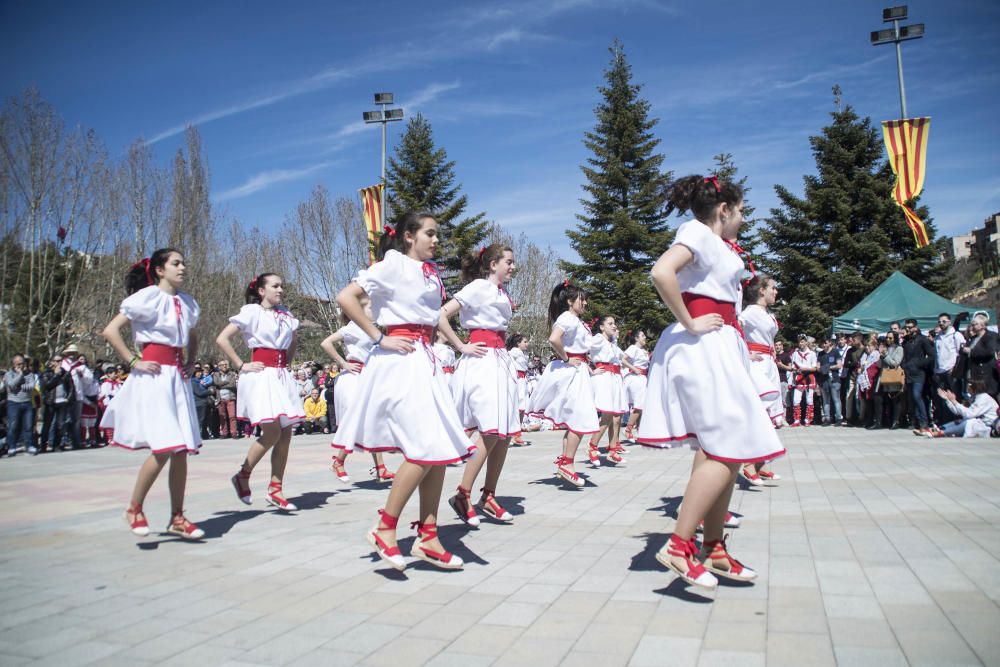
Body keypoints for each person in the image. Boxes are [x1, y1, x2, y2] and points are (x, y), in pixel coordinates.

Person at [638, 174, 783, 588]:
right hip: (705, 345)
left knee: (725, 447)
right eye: (739, 212)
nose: (741, 220)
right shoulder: (698, 234)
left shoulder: (717, 244)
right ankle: (680, 545)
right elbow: (661, 272)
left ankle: (713, 546)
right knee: (727, 443)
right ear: (724, 211)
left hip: (722, 344)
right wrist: (689, 320)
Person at [332, 211, 475, 571]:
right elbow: (346, 297)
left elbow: (434, 318)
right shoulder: (393, 264)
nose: (436, 240)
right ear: (409, 236)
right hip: (401, 362)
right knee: (424, 447)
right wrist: (380, 337)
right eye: (429, 233)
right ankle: (385, 527)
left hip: (424, 361)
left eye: (437, 234)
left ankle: (428, 535)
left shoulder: (429, 273)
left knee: (439, 448)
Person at [100, 248, 205, 539]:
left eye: (184, 262)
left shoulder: (187, 302)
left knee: (181, 450)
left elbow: (192, 334)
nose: (182, 267)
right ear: (160, 270)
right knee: (164, 447)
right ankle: (134, 507)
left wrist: (191, 360)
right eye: (176, 263)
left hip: (177, 378)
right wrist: (134, 360)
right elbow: (110, 331)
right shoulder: (146, 298)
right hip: (154, 377)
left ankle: (178, 517)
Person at [441, 243, 520, 527]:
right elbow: (440, 316)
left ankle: (488, 495)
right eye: (508, 262)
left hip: (501, 362)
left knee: (505, 433)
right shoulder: (476, 287)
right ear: (493, 264)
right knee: (490, 430)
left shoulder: (501, 292)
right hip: (483, 361)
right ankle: (463, 494)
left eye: (512, 263)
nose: (512, 267)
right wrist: (462, 345)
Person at [217, 273, 305, 512]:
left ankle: (276, 487)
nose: (280, 290)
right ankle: (243, 474)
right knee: (273, 431)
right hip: (261, 375)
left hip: (280, 375)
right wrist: (240, 364)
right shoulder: (251, 312)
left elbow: (293, 340)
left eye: (282, 285)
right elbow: (223, 338)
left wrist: (287, 361)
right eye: (275, 286)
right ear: (261, 291)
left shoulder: (286, 314)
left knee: (286, 433)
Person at [526, 280, 602, 487]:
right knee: (581, 418)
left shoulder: (575, 320)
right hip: (571, 372)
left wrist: (585, 365)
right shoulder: (568, 317)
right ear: (570, 301)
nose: (585, 303)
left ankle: (566, 462)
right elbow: (554, 338)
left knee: (575, 419)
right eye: (581, 300)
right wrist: (567, 359)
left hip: (578, 370)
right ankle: (567, 463)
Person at [321, 299, 395, 484]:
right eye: (370, 307)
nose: (374, 309)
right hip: (352, 377)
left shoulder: (372, 329)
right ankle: (338, 461)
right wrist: (343, 363)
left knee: (372, 421)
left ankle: (380, 468)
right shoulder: (353, 327)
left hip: (366, 377)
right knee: (357, 420)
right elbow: (326, 343)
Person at [586, 315, 633, 465]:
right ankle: (592, 446)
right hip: (604, 377)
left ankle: (613, 450)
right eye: (610, 323)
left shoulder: (611, 343)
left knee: (616, 415)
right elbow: (580, 350)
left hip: (615, 379)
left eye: (615, 323)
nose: (614, 326)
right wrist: (590, 369)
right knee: (607, 415)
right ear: (601, 327)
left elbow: (623, 357)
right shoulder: (598, 339)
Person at [739, 274, 783, 428]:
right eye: (773, 288)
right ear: (762, 291)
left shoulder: (767, 313)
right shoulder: (751, 312)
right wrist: (744, 353)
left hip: (769, 363)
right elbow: (734, 327)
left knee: (769, 416)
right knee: (759, 408)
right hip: (758, 364)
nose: (776, 291)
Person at [901, 318, 935, 434]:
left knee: (917, 395)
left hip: (919, 373)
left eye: (910, 327)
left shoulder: (922, 340)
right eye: (906, 327)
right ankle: (915, 422)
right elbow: (904, 357)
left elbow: (931, 355)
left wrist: (920, 364)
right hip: (909, 373)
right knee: (912, 398)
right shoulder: (906, 342)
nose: (908, 329)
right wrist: (904, 365)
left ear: (915, 327)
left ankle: (924, 423)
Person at [931, 380, 998, 438]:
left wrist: (954, 401)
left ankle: (943, 432)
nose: (967, 388)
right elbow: (959, 412)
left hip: (988, 426)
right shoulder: (974, 397)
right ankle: (939, 429)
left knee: (969, 422)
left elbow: (969, 414)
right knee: (959, 421)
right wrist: (948, 400)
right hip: (979, 422)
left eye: (969, 386)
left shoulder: (983, 398)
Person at [933, 313, 965, 426]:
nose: (941, 323)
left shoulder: (956, 335)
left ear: (949, 322)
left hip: (951, 371)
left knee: (954, 396)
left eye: (944, 321)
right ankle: (946, 421)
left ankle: (957, 419)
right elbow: (937, 355)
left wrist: (955, 368)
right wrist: (935, 369)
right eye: (939, 322)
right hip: (940, 371)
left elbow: (960, 354)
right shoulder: (938, 337)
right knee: (943, 398)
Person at [3, 354, 37, 456]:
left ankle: (29, 445)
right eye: (18, 364)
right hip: (13, 403)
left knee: (28, 426)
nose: (21, 365)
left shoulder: (30, 374)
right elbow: (11, 385)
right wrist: (20, 375)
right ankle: (12, 447)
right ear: (13, 364)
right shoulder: (9, 374)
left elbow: (31, 387)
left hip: (27, 403)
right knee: (13, 426)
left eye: (22, 363)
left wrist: (19, 386)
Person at [872, 331, 904, 429]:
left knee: (895, 399)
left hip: (892, 376)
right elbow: (880, 364)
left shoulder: (899, 349)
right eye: (887, 337)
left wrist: (885, 355)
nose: (888, 340)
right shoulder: (885, 348)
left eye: (890, 338)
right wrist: (881, 356)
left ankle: (895, 421)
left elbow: (895, 363)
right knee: (878, 398)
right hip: (883, 375)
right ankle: (879, 422)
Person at [622, 329, 649, 443]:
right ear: (636, 338)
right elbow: (623, 359)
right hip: (636, 378)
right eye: (642, 335)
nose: (645, 337)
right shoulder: (633, 348)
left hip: (642, 378)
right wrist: (634, 369)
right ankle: (628, 430)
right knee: (639, 405)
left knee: (641, 406)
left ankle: (639, 431)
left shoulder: (643, 350)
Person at [964, 312, 999, 398]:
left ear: (983, 325)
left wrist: (971, 352)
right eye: (972, 324)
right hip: (975, 374)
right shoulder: (974, 338)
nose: (973, 326)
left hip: (987, 374)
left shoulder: (991, 336)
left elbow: (989, 351)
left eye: (975, 324)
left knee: (990, 399)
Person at [506, 333, 531, 445]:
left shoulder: (522, 353)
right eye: (524, 342)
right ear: (518, 343)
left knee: (522, 407)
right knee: (516, 406)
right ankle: (511, 434)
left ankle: (517, 433)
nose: (527, 344)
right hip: (517, 380)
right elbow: (507, 360)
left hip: (523, 380)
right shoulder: (514, 352)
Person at [790, 334, 818, 426]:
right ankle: (797, 420)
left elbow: (814, 368)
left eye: (802, 342)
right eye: (799, 342)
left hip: (809, 378)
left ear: (806, 342)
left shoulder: (812, 354)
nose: (800, 343)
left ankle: (808, 420)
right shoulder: (795, 354)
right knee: (796, 399)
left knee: (809, 400)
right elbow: (793, 367)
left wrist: (805, 369)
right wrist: (795, 370)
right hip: (799, 378)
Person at [817, 339, 843, 426]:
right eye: (822, 343)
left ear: (829, 343)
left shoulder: (835, 352)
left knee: (836, 399)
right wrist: (822, 369)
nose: (824, 345)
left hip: (834, 379)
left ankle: (838, 418)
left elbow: (839, 365)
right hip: (823, 380)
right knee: (825, 400)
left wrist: (828, 367)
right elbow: (818, 367)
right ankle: (827, 419)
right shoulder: (820, 354)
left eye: (825, 343)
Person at [213, 359, 239, 438]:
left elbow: (233, 385)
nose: (225, 366)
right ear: (219, 367)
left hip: (230, 397)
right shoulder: (216, 374)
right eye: (223, 365)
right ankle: (224, 433)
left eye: (225, 365)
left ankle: (234, 433)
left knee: (232, 416)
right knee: (222, 417)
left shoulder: (231, 374)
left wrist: (221, 385)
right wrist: (226, 382)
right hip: (221, 398)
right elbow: (216, 383)